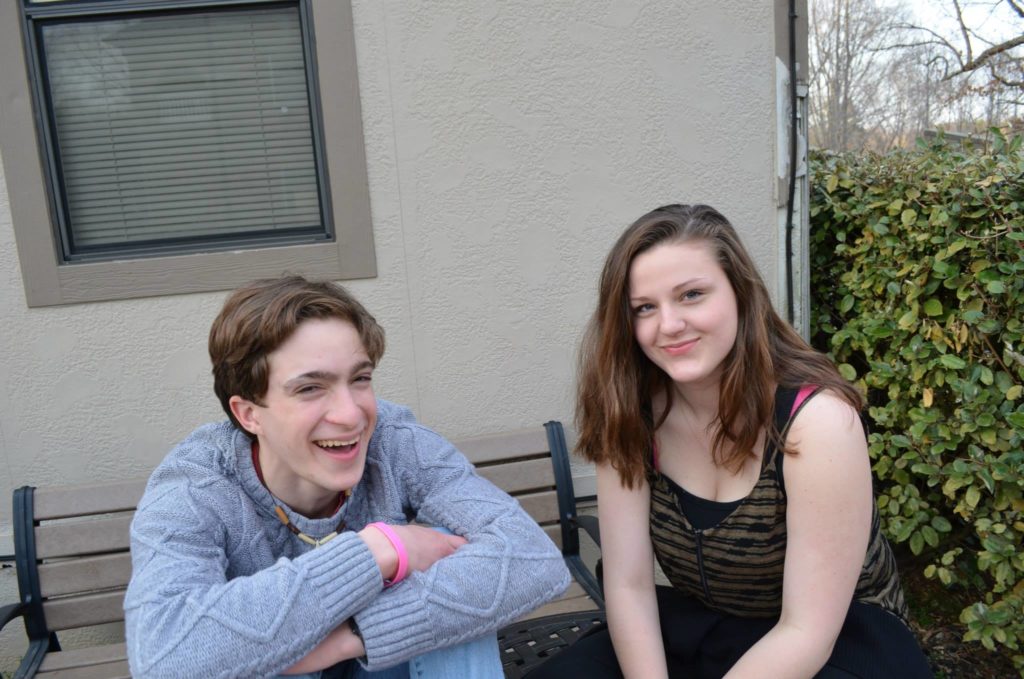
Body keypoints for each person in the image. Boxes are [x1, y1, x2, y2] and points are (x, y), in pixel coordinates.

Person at [528, 204, 930, 678]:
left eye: (692, 294)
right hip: (708, 625)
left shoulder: (817, 421)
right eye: (645, 308)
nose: (669, 325)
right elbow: (630, 585)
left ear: (741, 294)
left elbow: (806, 631)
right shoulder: (629, 415)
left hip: (837, 639)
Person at [124, 275, 570, 679]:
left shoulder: (395, 440)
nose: (351, 413)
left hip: (375, 661)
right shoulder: (195, 485)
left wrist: (352, 635)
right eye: (310, 388)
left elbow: (533, 558)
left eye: (360, 379)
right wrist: (378, 551)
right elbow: (163, 657)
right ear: (248, 413)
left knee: (450, 564)